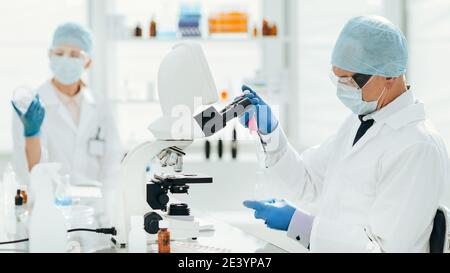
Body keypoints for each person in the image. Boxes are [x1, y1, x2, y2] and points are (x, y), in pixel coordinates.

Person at [241, 15, 449, 252]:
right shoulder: (359, 122)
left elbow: (386, 249)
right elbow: (308, 184)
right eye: (338, 78)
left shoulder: (418, 146)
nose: (342, 89)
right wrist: (272, 134)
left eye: (351, 81)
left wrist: (301, 225)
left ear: (390, 75)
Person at [12, 22, 123, 226]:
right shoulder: (30, 107)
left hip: (96, 217)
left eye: (74, 55)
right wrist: (31, 133)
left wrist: (113, 217)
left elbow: (112, 167)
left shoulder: (100, 106)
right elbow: (28, 170)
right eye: (60, 52)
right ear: (49, 54)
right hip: (49, 214)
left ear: (87, 62)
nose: (66, 60)